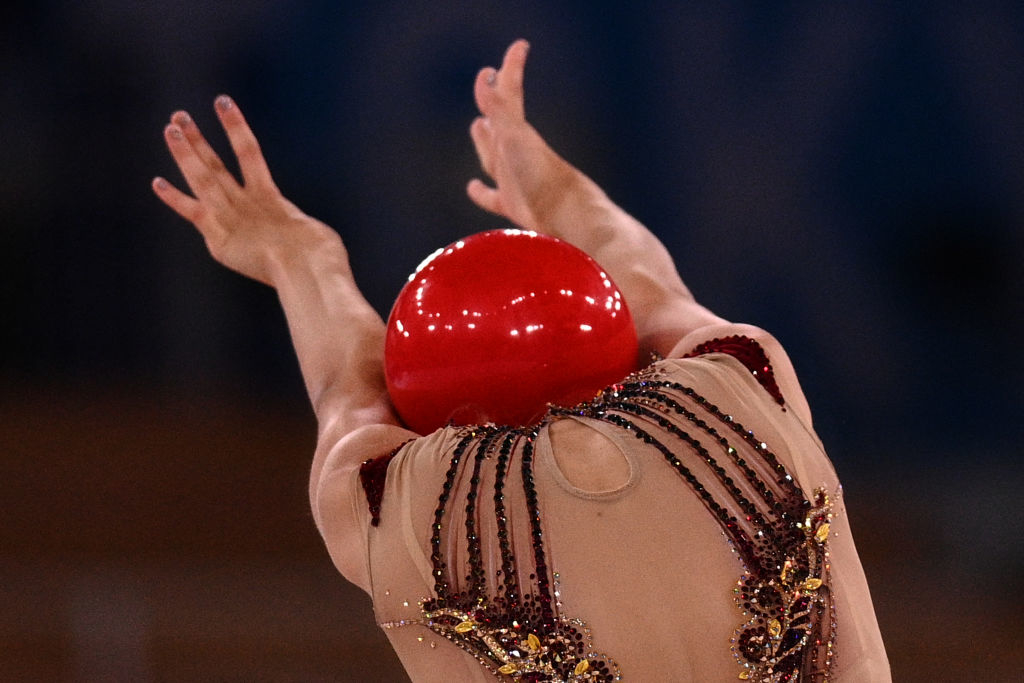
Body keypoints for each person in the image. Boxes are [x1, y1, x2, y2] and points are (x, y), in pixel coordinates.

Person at [153, 40, 890, 682]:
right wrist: (552, 186)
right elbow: (650, 289)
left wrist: (301, 258)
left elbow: (350, 390)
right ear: (606, 331)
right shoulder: (742, 383)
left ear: (434, 407)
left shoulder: (416, 510)